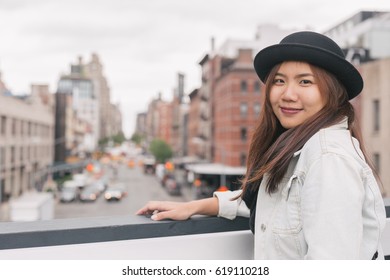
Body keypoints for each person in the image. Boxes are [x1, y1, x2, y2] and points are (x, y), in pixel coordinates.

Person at [136, 31, 387, 259]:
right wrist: (196, 206)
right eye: (279, 81)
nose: (288, 94)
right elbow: (272, 202)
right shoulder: (298, 145)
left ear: (333, 93)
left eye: (305, 82)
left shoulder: (328, 157)